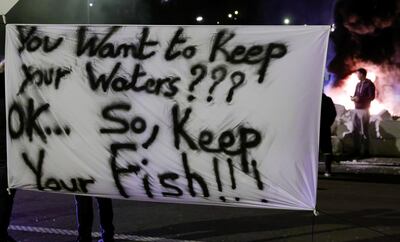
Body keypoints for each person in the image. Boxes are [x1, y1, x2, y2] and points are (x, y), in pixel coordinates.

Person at [0, 60, 17, 242]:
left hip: (10, 151)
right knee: (5, 195)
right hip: (4, 152)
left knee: (8, 194)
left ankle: (3, 231)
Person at [350, 68, 375, 157]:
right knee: (355, 131)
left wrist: (360, 99)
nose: (357, 75)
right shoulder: (358, 84)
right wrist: (353, 98)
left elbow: (371, 97)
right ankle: (356, 150)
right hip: (356, 110)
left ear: (362, 74)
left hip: (364, 110)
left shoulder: (369, 84)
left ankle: (366, 151)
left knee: (364, 131)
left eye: (358, 74)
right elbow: (356, 95)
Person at [320, 93, 337, 177]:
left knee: (325, 150)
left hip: (315, 129)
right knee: (327, 150)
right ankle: (327, 170)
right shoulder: (327, 100)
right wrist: (328, 124)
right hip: (324, 128)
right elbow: (333, 114)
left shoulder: (312, 99)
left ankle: (327, 170)